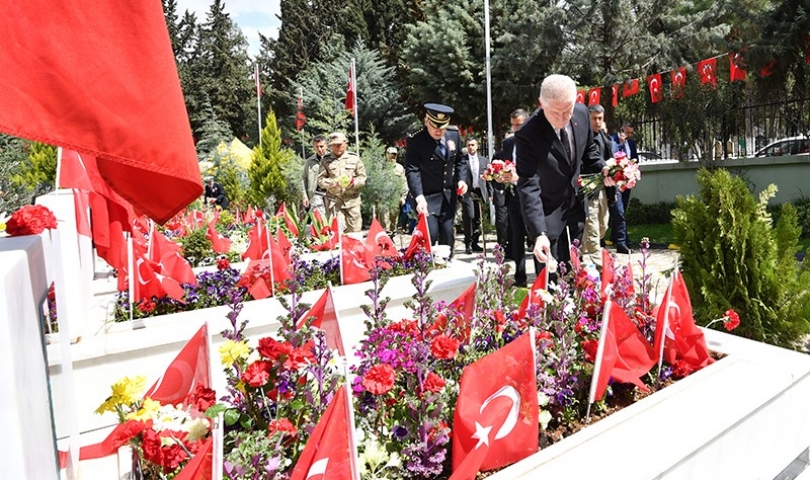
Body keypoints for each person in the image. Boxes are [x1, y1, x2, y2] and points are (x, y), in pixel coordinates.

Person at [516, 74, 613, 269]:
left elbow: (589, 150)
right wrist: (539, 233)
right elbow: (528, 185)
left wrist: (603, 168)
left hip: (575, 210)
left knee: (575, 276)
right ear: (541, 104)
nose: (561, 119)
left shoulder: (582, 113)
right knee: (550, 287)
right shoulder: (528, 133)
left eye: (566, 111)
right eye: (554, 112)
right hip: (546, 217)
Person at [404, 103, 469, 250]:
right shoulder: (416, 140)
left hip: (447, 196)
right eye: (435, 126)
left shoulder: (453, 135)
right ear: (427, 120)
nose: (439, 131)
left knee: (447, 236)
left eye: (443, 127)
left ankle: (447, 269)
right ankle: (427, 267)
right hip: (426, 197)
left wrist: (461, 180)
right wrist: (419, 196)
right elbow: (412, 170)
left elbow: (460, 160)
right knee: (431, 234)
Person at [493, 108, 534, 286]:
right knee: (516, 237)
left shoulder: (536, 142)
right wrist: (500, 177)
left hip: (534, 196)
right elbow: (504, 166)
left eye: (520, 125)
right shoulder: (509, 144)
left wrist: (520, 177)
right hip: (514, 197)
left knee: (536, 235)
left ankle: (542, 277)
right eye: (514, 125)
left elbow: (540, 170)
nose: (517, 129)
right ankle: (520, 277)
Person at [582, 105, 615, 265]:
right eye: (594, 118)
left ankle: (577, 250)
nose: (597, 121)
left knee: (603, 225)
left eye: (600, 118)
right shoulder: (583, 138)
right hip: (588, 189)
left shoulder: (604, 137)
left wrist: (612, 189)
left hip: (603, 187)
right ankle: (601, 266)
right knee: (593, 227)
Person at [317, 132, 367, 232]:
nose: (337, 147)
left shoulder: (354, 159)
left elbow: (362, 178)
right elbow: (320, 180)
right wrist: (331, 183)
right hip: (335, 202)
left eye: (339, 145)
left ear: (345, 144)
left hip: (352, 202)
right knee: (337, 233)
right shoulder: (325, 160)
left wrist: (353, 182)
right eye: (334, 145)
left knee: (354, 232)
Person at [610, 122, 638, 254]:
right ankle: (622, 239)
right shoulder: (613, 140)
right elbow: (613, 159)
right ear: (621, 130)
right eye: (627, 132)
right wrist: (620, 144)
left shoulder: (631, 143)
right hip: (616, 182)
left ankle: (615, 236)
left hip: (627, 180)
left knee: (623, 209)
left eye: (631, 133)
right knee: (618, 211)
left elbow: (635, 159)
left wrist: (633, 171)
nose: (629, 135)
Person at [460, 137, 489, 254]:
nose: (471, 147)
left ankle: (475, 242)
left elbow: (488, 178)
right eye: (469, 145)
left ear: (477, 146)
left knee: (478, 219)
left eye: (473, 145)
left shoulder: (484, 160)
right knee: (469, 216)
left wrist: (490, 193)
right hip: (467, 192)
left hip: (479, 191)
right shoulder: (462, 160)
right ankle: (468, 242)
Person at [381, 146, 408, 233]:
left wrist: (403, 197)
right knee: (384, 220)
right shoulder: (381, 167)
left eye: (395, 155)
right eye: (391, 155)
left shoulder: (400, 168)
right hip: (384, 197)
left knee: (394, 219)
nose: (393, 156)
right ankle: (384, 238)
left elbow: (404, 183)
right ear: (386, 155)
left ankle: (392, 236)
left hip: (395, 197)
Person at [302, 134, 329, 217]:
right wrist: (304, 196)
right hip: (315, 195)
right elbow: (304, 179)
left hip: (330, 196)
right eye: (317, 147)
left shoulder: (333, 159)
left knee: (332, 221)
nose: (319, 149)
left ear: (326, 146)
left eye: (321, 146)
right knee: (317, 221)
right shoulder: (310, 161)